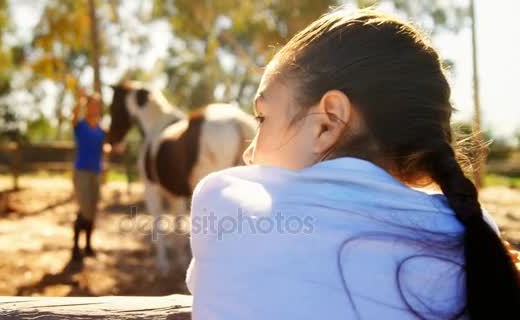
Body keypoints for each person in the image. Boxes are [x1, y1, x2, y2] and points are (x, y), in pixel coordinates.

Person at [185, 9, 520, 320]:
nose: (248, 153)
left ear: (327, 123)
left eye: (262, 118)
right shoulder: (479, 236)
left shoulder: (222, 200)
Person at [71, 89, 110, 261]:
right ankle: (75, 247)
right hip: (81, 172)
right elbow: (73, 116)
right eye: (92, 104)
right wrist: (79, 100)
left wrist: (110, 150)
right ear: (87, 107)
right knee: (84, 209)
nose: (94, 108)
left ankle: (87, 246)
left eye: (97, 105)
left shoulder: (101, 130)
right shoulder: (80, 126)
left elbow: (104, 147)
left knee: (92, 210)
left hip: (96, 173)